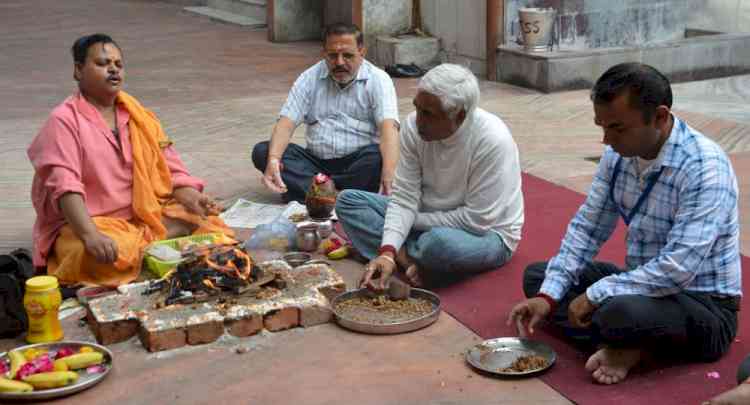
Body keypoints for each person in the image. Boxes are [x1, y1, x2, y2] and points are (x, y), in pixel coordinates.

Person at [508, 62, 741, 385]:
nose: (606, 140)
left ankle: (631, 345)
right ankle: (625, 344)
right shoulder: (617, 156)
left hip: (701, 304)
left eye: (617, 128)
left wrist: (596, 294)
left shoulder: (706, 168)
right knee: (538, 277)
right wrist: (548, 296)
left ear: (659, 117)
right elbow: (588, 228)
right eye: (601, 126)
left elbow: (677, 269)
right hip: (641, 286)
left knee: (618, 312)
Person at [27, 34, 233, 287]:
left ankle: (151, 247)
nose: (113, 69)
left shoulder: (138, 114)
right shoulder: (63, 121)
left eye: (118, 64)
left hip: (143, 214)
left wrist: (193, 197)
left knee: (210, 224)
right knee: (95, 251)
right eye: (103, 63)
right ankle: (159, 244)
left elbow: (170, 168)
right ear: (78, 70)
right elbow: (65, 187)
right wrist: (90, 234)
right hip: (95, 222)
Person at [336, 63, 524, 289]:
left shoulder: (493, 139)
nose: (418, 121)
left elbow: (477, 222)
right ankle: (406, 260)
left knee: (439, 244)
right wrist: (387, 252)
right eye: (417, 109)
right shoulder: (413, 127)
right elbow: (404, 197)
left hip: (487, 234)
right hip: (426, 214)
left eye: (428, 114)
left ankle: (414, 249)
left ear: (460, 115)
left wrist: (408, 221)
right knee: (348, 201)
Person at [251, 22, 400, 203]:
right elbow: (286, 124)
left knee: (378, 158)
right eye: (332, 55)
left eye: (347, 55)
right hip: (316, 163)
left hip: (356, 164)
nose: (339, 62)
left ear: (362, 52)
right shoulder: (309, 77)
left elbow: (389, 130)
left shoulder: (378, 80)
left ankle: (313, 192)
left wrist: (389, 175)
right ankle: (337, 196)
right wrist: (274, 160)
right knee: (264, 151)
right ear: (323, 53)